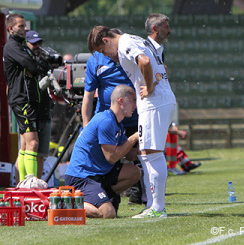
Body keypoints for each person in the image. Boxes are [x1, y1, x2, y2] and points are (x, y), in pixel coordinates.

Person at [87, 16, 176, 218]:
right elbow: (162, 67)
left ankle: (158, 208)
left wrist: (150, 86)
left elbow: (144, 61)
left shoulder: (125, 42)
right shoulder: (135, 39)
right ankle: (153, 205)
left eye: (103, 51)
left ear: (106, 40)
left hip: (155, 103)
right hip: (159, 101)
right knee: (145, 154)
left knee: (151, 154)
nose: (108, 56)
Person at [64, 85, 140, 218]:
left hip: (99, 173)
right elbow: (112, 157)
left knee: (135, 172)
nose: (136, 105)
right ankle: (65, 202)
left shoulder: (117, 123)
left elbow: (129, 155)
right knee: (108, 213)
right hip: (82, 177)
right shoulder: (106, 121)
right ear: (121, 101)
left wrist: (150, 147)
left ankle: (102, 196)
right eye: (133, 100)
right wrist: (134, 137)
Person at [144, 14, 201, 175]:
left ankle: (152, 192)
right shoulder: (145, 49)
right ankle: (146, 192)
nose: (170, 30)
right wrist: (149, 87)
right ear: (155, 29)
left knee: (158, 147)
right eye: (166, 27)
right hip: (150, 103)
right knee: (151, 150)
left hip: (161, 101)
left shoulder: (159, 50)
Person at [3, 14, 49, 181]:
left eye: (24, 26)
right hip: (23, 100)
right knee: (33, 144)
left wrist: (34, 66)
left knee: (24, 145)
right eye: (21, 26)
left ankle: (23, 184)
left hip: (27, 100)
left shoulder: (21, 46)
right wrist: (33, 66)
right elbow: (33, 67)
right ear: (11, 28)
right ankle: (31, 183)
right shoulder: (13, 47)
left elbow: (36, 66)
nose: (24, 29)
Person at [14, 30, 52, 183]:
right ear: (26, 44)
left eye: (39, 43)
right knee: (26, 148)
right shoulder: (22, 62)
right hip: (28, 110)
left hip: (44, 111)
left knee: (40, 152)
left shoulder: (43, 61)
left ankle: (35, 184)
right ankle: (21, 185)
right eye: (34, 43)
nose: (37, 46)